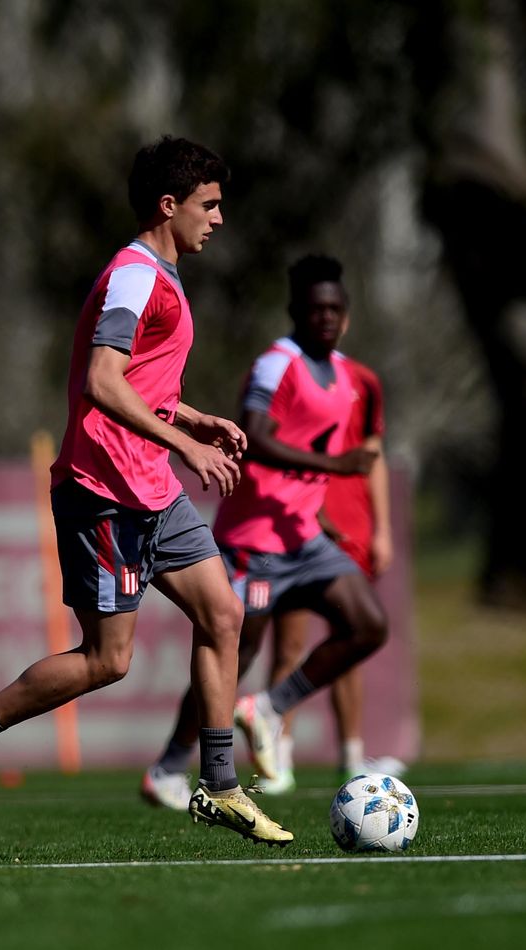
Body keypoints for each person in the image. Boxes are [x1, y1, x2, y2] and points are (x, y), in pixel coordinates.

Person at [0, 136, 294, 846]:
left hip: (151, 487)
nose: (219, 219)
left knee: (224, 614)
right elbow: (102, 380)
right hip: (105, 491)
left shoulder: (161, 276)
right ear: (169, 205)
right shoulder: (134, 275)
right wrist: (185, 447)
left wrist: (193, 419)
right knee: (107, 660)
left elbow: (141, 382)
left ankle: (218, 786)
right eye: (210, 205)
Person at [140, 254, 388, 810]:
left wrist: (316, 506)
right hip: (255, 543)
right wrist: (336, 467)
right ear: (296, 310)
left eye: (335, 308)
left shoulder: (346, 375)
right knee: (233, 651)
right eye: (316, 308)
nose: (326, 317)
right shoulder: (277, 366)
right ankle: (168, 767)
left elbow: (306, 450)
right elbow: (255, 438)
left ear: (346, 314)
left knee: (368, 625)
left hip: (304, 538)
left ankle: (270, 708)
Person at [263, 354, 406, 793]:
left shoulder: (364, 380)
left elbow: (373, 455)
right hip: (298, 524)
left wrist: (382, 528)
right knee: (288, 645)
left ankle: (351, 756)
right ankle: (277, 760)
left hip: (351, 528)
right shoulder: (287, 372)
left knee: (350, 639)